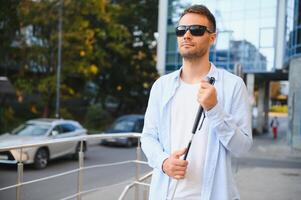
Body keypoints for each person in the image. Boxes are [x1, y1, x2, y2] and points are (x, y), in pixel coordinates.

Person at [141, 4, 253, 200]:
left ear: (212, 37)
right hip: (165, 195)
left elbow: (242, 148)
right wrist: (164, 162)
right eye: (181, 30)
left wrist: (214, 109)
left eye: (196, 30)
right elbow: (148, 137)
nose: (187, 35)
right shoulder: (161, 86)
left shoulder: (233, 85)